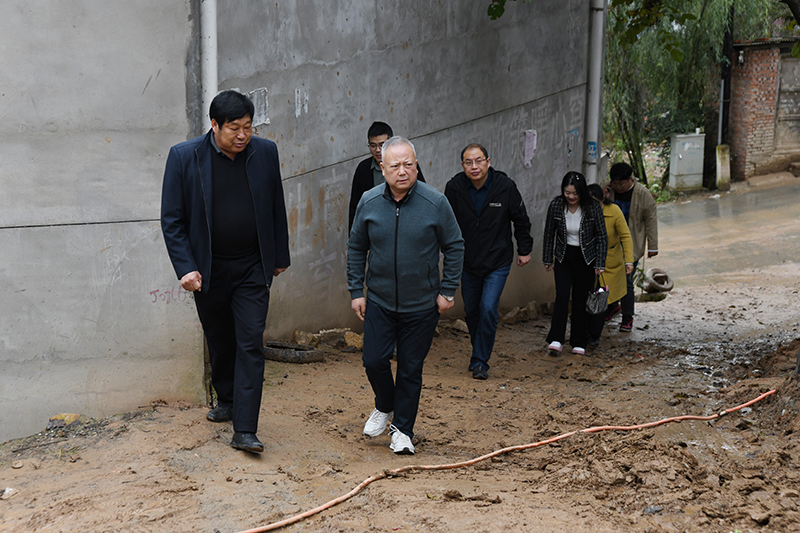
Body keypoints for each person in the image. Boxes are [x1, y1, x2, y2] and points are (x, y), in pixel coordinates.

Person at [160, 90, 290, 454]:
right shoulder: (184, 157)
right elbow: (172, 219)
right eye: (234, 128)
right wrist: (186, 267)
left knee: (250, 341)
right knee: (220, 338)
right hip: (209, 268)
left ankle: (245, 429)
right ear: (215, 125)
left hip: (252, 266)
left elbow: (276, 204)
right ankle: (229, 399)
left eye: (248, 127)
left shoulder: (265, 153)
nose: (242, 135)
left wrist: (279, 254)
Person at [347, 136, 464, 455]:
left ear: (416, 165)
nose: (403, 171)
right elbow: (356, 247)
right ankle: (385, 404)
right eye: (395, 165)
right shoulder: (369, 201)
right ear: (382, 167)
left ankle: (402, 430)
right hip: (380, 301)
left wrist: (447, 290)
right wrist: (356, 290)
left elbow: (455, 245)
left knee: (411, 368)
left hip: (422, 305)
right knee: (373, 360)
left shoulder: (435, 202)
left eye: (408, 164)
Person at [444, 144, 533, 380]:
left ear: (488, 162)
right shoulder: (454, 188)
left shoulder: (505, 186)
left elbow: (520, 219)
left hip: (497, 260)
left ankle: (480, 361)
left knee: (488, 308)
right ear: (462, 165)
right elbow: (445, 223)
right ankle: (478, 352)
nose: (474, 166)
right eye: (468, 162)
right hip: (467, 261)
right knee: (472, 310)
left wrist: (524, 249)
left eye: (479, 161)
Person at [541, 171, 607, 356]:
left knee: (580, 299)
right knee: (562, 296)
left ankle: (579, 341)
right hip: (564, 257)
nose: (571, 197)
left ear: (582, 192)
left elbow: (601, 236)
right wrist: (547, 258)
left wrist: (600, 263)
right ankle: (556, 339)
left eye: (575, 193)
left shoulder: (592, 207)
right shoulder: (556, 206)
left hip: (586, 259)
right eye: (567, 192)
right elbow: (549, 234)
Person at [605, 162, 659, 332]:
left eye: (621, 183)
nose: (618, 187)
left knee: (626, 281)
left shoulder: (643, 194)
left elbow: (651, 220)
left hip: (632, 245)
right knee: (608, 278)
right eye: (615, 183)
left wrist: (653, 246)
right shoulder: (606, 189)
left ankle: (627, 317)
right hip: (610, 245)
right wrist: (603, 194)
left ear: (630, 179)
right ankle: (612, 306)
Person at [348, 121, 425, 231]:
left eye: (382, 145)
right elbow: (355, 206)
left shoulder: (407, 165)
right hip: (375, 227)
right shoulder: (363, 169)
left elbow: (422, 194)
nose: (377, 150)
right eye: (373, 145)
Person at [586, 184, 634, 346]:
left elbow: (625, 236)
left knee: (601, 300)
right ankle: (585, 333)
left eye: (596, 203)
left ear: (603, 199)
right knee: (586, 299)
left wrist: (629, 260)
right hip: (587, 262)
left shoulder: (614, 211)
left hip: (609, 264)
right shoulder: (580, 212)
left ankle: (594, 336)